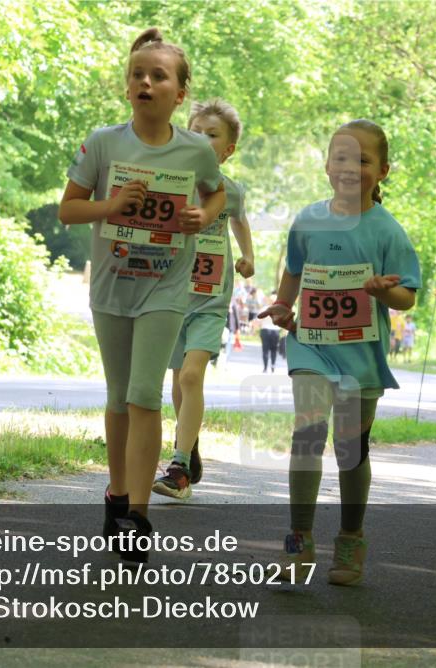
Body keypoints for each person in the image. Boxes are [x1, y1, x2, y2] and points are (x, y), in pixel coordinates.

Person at [58, 27, 225, 563]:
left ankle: (137, 514)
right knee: (116, 399)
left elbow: (217, 190)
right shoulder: (104, 142)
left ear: (179, 94)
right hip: (111, 286)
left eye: (159, 76)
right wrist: (112, 206)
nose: (146, 82)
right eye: (137, 75)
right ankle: (116, 491)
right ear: (126, 87)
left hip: (166, 288)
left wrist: (206, 215)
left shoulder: (195, 150)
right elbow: (69, 208)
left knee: (144, 395)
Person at [258, 119, 420, 586]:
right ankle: (298, 545)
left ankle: (350, 540)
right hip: (310, 345)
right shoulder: (308, 220)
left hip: (361, 355)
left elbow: (407, 295)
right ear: (328, 166)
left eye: (363, 160)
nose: (350, 168)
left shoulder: (388, 232)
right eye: (341, 157)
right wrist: (284, 305)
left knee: (350, 450)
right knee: (307, 434)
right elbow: (294, 268)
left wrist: (384, 293)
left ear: (383, 170)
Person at [153, 99, 255, 501]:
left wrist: (248, 256)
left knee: (193, 375)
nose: (203, 140)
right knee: (178, 379)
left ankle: (178, 467)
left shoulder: (230, 191)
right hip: (171, 294)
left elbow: (240, 219)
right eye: (196, 132)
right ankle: (189, 442)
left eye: (212, 135)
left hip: (211, 298)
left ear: (228, 150)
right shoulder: (172, 181)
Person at [260, 291, 282, 372]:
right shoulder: (279, 310)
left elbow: (258, 320)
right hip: (275, 331)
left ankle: (265, 367)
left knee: (265, 349)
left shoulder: (264, 308)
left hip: (265, 330)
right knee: (274, 349)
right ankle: (273, 365)